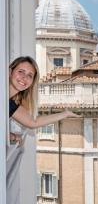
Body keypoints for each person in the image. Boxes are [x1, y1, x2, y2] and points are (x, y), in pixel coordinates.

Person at [7, 56, 80, 204]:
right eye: (21, 71)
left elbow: (33, 122)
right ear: (10, 71)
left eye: (30, 75)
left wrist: (64, 114)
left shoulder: (10, 103)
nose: (24, 78)